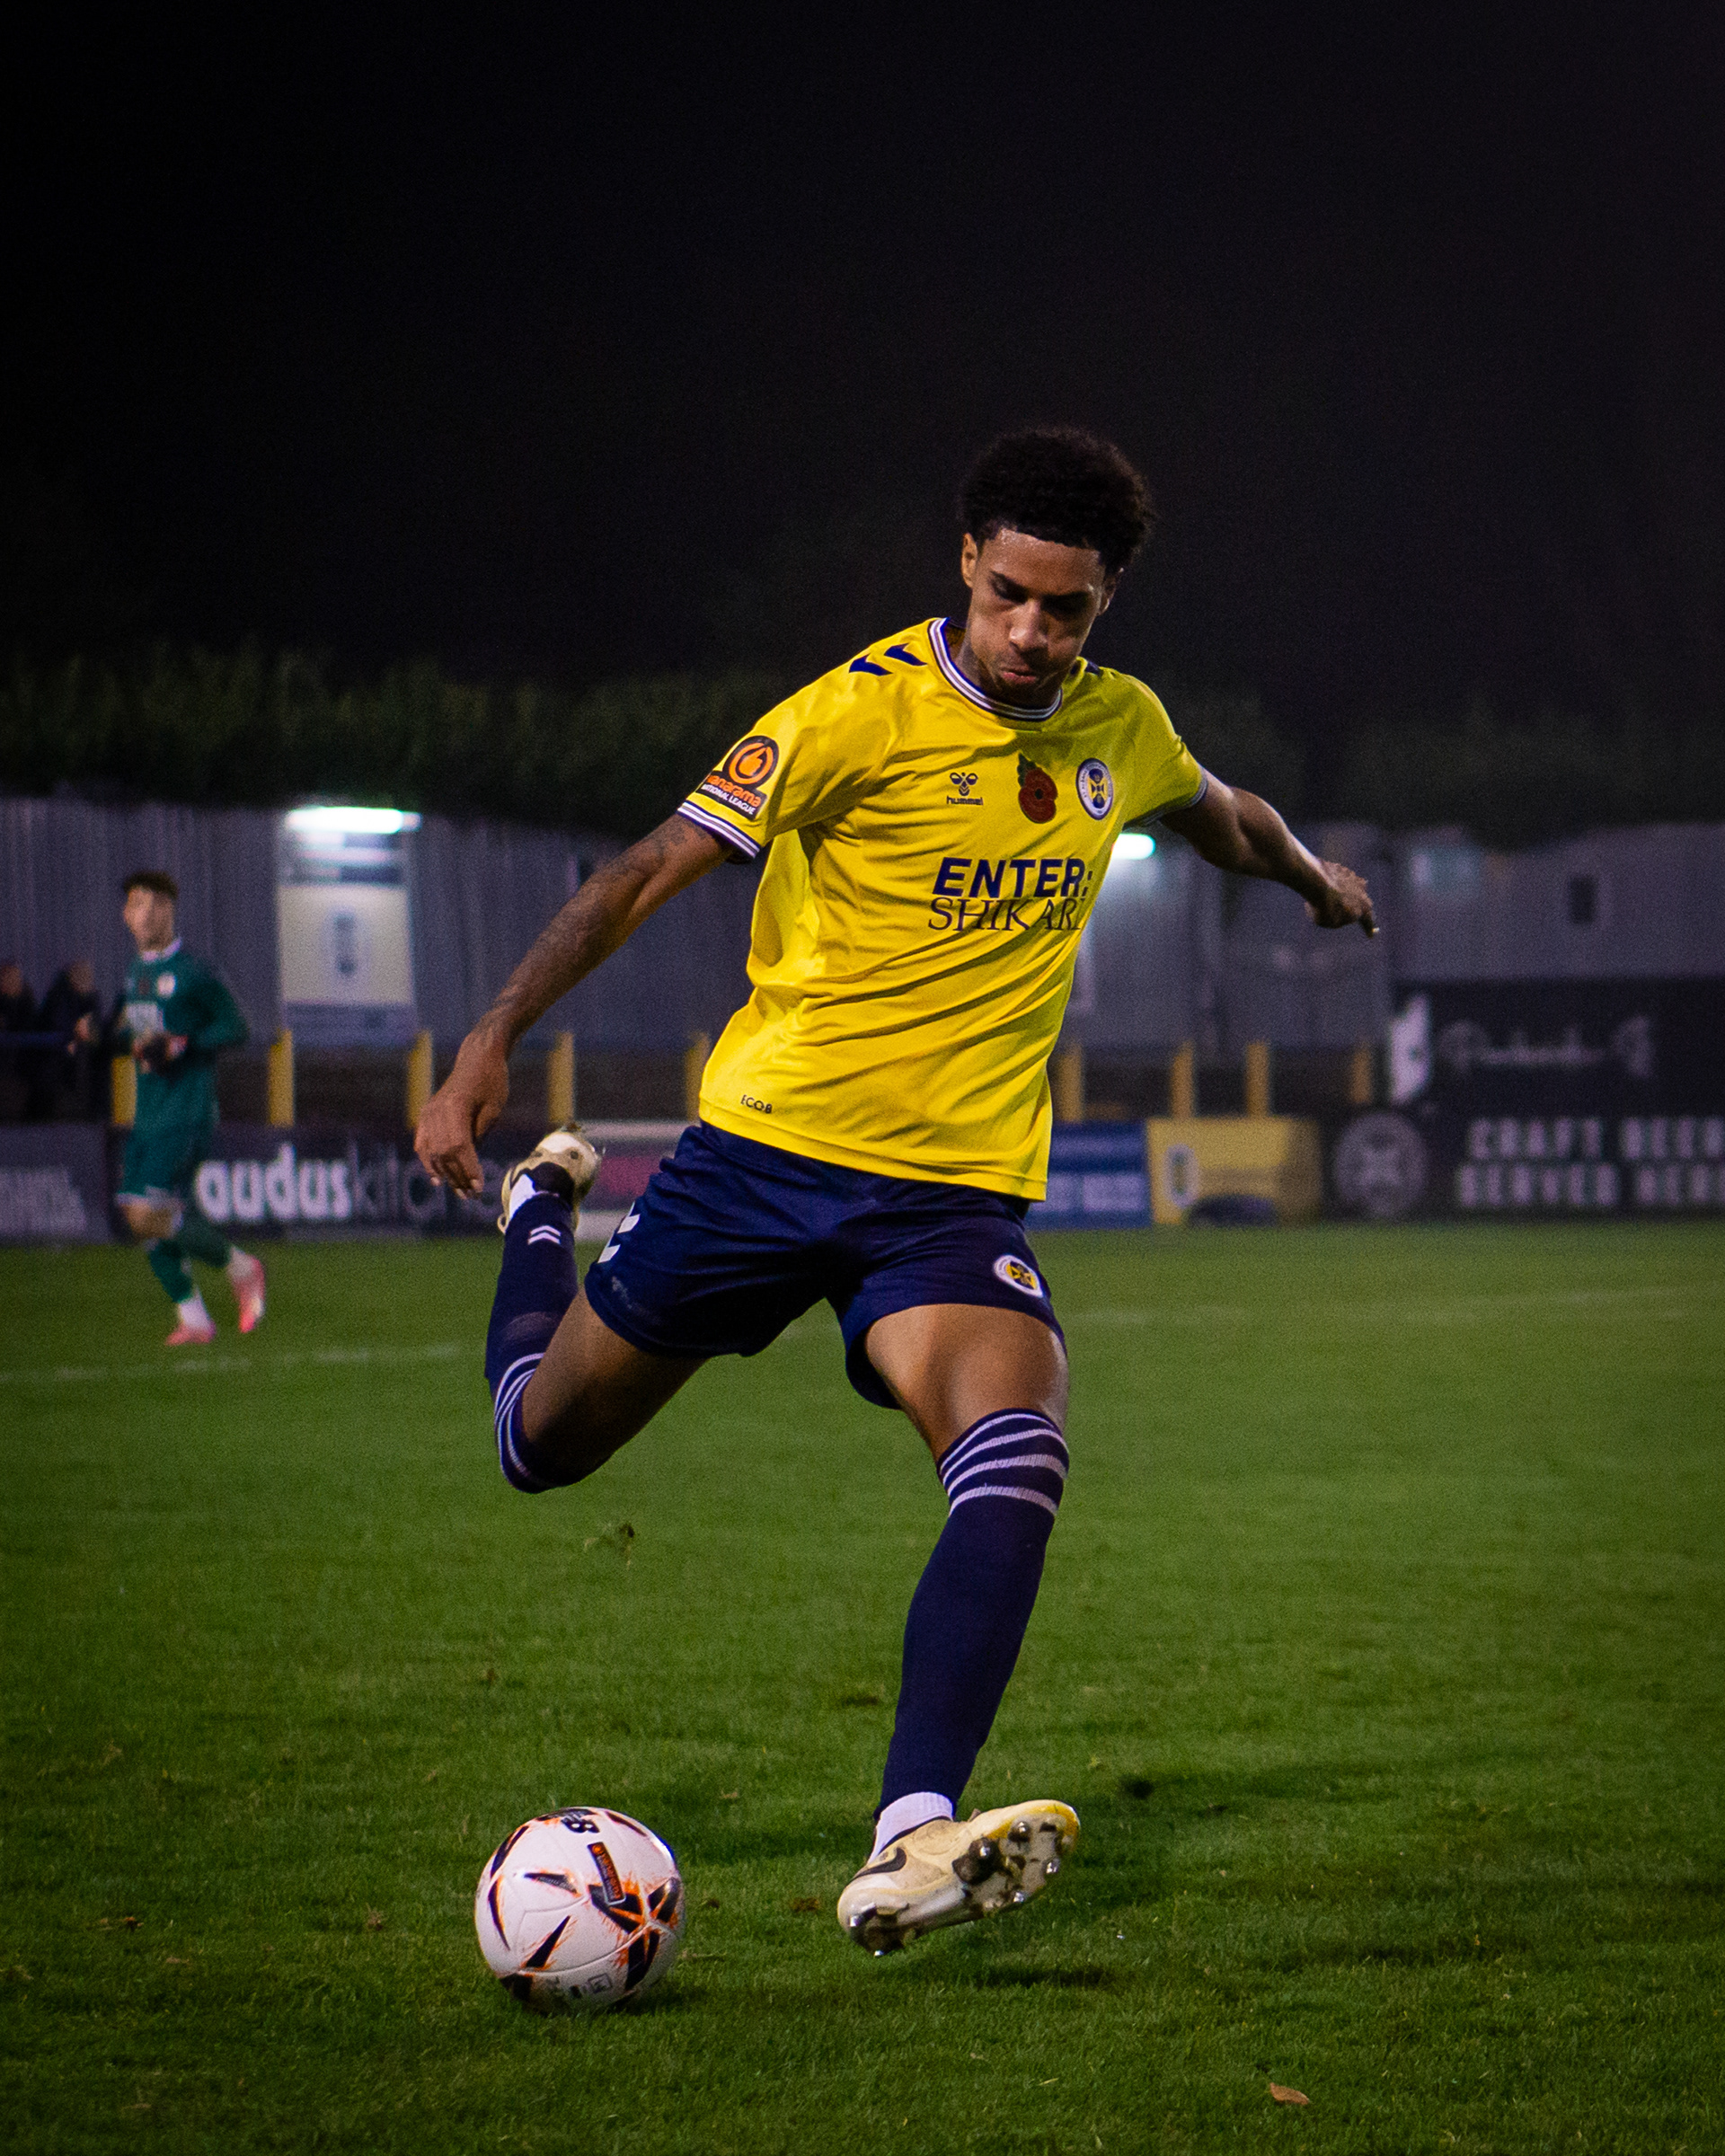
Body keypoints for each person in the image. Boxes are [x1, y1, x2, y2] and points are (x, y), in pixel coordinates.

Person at [415, 427, 1376, 1955]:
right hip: (761, 1162)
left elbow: (1227, 816)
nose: (1032, 633)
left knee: (1018, 1452)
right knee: (540, 1449)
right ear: (967, 565)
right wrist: (490, 1040)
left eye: (1066, 608)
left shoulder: (1119, 726)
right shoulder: (851, 716)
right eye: (1009, 597)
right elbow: (646, 870)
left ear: (1106, 601)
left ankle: (910, 1832)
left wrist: (1316, 880)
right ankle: (544, 1205)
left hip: (947, 1202)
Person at [111, 871, 267, 1345]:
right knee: (140, 1217)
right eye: (136, 905)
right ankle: (194, 1320)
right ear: (126, 916)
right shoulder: (135, 973)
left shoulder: (196, 971)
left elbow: (237, 1027)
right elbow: (135, 1034)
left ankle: (241, 1266)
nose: (145, 914)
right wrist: (106, 1037)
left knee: (145, 1212)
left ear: (169, 910)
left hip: (186, 1112)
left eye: (154, 904)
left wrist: (183, 1043)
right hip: (148, 1114)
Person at [30, 958, 102, 1120]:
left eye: (88, 976)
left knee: (99, 1061)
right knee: (53, 1068)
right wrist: (75, 1033)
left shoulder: (92, 997)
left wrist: (88, 1030)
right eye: (80, 975)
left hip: (80, 1049)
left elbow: (96, 1026)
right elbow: (58, 1024)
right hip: (50, 1050)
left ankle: (94, 1114)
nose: (85, 980)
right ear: (71, 977)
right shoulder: (59, 995)